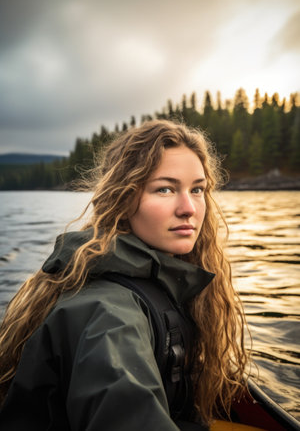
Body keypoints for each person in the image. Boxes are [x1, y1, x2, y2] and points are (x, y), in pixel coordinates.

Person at [0, 119, 249, 430]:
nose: (189, 208)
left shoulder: (153, 278)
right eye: (165, 189)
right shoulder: (109, 314)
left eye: (197, 189)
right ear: (123, 198)